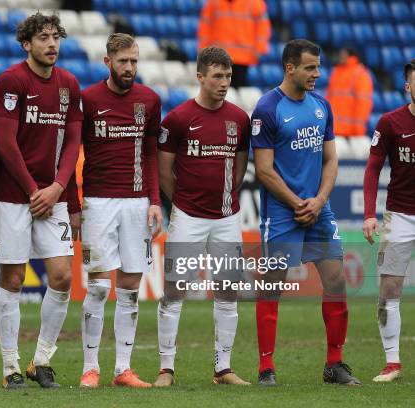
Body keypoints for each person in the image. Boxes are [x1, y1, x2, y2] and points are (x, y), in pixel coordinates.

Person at [251, 39, 360, 386]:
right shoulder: (267, 108)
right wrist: (297, 202)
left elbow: (330, 160)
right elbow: (264, 170)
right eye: (310, 67)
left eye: (318, 66)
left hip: (319, 210)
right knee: (272, 285)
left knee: (336, 280)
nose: (317, 73)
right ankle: (266, 367)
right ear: (290, 68)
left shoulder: (321, 106)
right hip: (282, 213)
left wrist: (318, 200)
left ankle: (335, 364)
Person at [0, 12, 82, 389]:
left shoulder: (69, 84)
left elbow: (74, 141)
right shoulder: (12, 81)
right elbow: (5, 143)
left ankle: (41, 361)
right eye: (43, 37)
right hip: (16, 197)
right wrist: (34, 190)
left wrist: (59, 188)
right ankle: (10, 366)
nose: (51, 44)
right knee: (12, 278)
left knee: (62, 276)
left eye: (55, 37)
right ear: (26, 44)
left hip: (53, 195)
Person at [70, 33, 163, 389]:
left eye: (135, 61)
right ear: (107, 62)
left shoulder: (150, 100)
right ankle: (90, 368)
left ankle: (122, 369)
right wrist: (75, 204)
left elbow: (152, 153)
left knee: (129, 287)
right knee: (96, 287)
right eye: (123, 61)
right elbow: (71, 152)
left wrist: (155, 200)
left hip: (138, 203)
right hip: (99, 202)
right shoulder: (89, 99)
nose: (130, 68)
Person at [153, 47, 250, 387]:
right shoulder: (178, 118)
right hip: (188, 217)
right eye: (217, 76)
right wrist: (184, 203)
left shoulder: (239, 119)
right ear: (200, 77)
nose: (224, 82)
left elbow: (239, 167)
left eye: (228, 76)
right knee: (175, 291)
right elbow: (164, 171)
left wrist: (224, 198)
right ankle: (166, 368)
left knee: (227, 291)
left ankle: (223, 368)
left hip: (226, 218)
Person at [363, 59, 415, 383]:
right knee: (388, 290)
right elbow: (372, 169)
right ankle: (392, 362)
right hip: (400, 216)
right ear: (408, 86)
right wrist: (370, 214)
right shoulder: (390, 122)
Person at [198, 0, 270, 88]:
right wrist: (204, 49)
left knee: (235, 91)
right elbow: (205, 24)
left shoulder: (255, 2)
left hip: (242, 58)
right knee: (218, 90)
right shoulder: (213, 2)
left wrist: (260, 48)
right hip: (219, 57)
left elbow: (263, 26)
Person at [325, 47, 374, 137]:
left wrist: (358, 129)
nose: (340, 57)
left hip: (352, 132)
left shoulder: (360, 74)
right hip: (334, 129)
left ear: (351, 56)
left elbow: (363, 103)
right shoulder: (336, 72)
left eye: (343, 54)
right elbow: (329, 98)